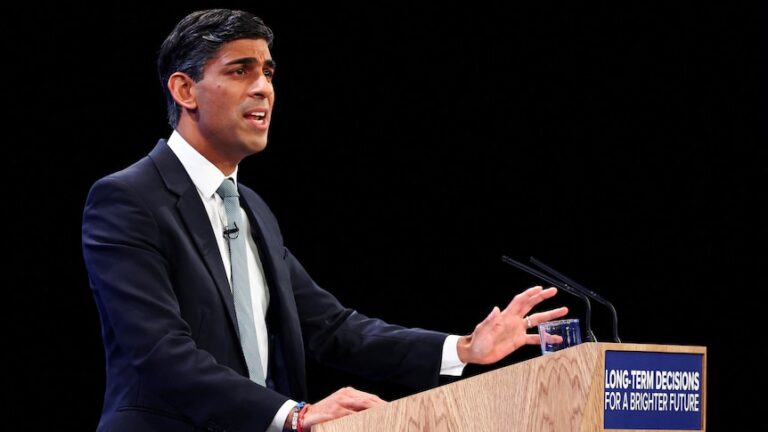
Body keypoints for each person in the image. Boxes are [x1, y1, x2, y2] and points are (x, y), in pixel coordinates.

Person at [81, 9, 569, 432]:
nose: (263, 89)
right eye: (239, 71)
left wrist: (463, 349)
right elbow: (161, 353)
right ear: (185, 89)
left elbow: (333, 328)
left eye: (269, 73)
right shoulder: (127, 200)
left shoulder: (252, 209)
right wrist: (293, 414)